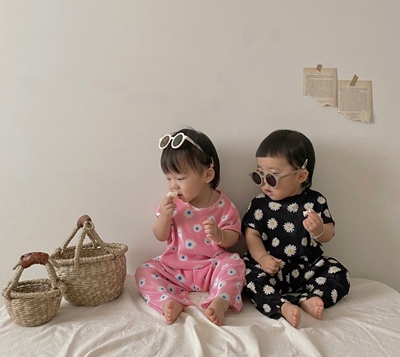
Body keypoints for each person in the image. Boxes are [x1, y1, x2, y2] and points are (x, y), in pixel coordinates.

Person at [135, 128, 245, 325]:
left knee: (235, 263)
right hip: (176, 268)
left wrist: (220, 235)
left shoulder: (223, 205)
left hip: (210, 267)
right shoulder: (173, 205)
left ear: (207, 175)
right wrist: (164, 218)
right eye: (168, 178)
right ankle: (169, 301)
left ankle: (220, 302)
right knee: (144, 270)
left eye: (180, 178)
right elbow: (160, 236)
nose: (173, 185)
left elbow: (234, 237)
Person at [242, 129, 350, 328]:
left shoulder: (315, 201)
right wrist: (262, 258)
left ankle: (311, 298)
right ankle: (281, 306)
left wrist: (319, 230)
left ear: (301, 175)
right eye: (259, 175)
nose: (264, 184)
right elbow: (251, 234)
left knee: (339, 272)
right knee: (246, 274)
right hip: (270, 268)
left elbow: (329, 233)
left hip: (307, 269)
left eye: (272, 178)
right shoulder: (259, 203)